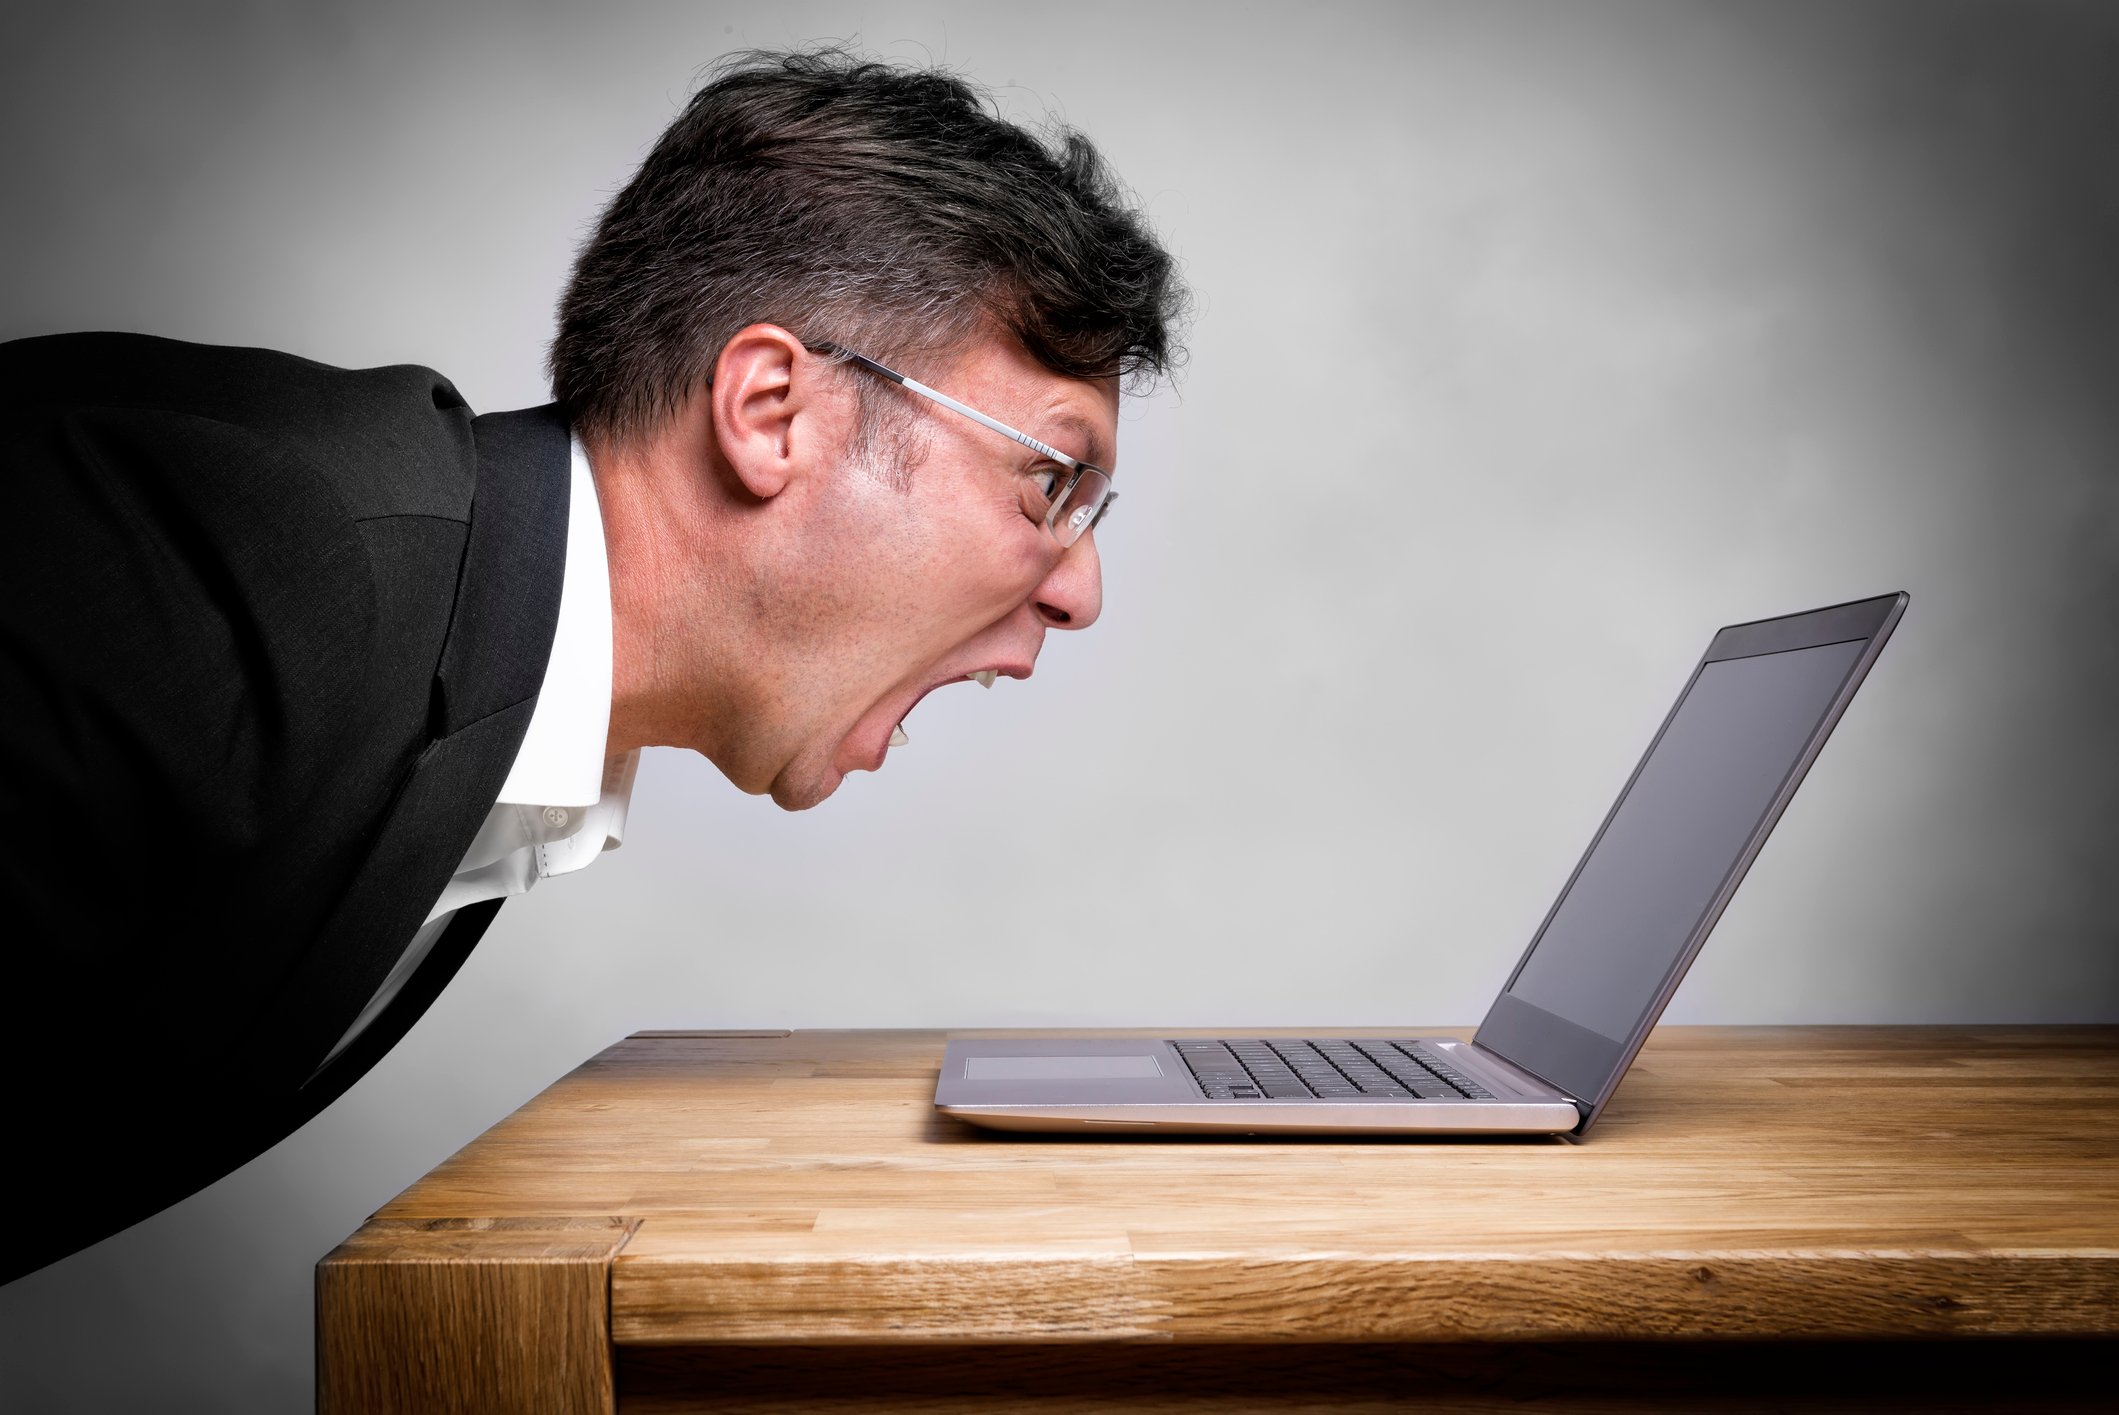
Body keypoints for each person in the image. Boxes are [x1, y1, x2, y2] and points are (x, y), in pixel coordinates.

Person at [0, 47, 1185, 1281]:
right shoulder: (230, 552)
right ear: (774, 410)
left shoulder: (471, 677)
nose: (1080, 589)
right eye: (1051, 480)